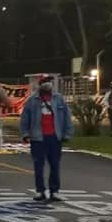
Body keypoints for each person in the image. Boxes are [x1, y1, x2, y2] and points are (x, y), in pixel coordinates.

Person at [20, 74, 73, 203]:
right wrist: (25, 134)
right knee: (38, 166)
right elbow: (25, 119)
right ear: (40, 85)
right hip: (38, 138)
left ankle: (54, 191)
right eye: (44, 82)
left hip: (55, 137)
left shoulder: (59, 99)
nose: (47, 84)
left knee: (55, 165)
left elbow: (67, 117)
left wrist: (67, 134)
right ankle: (40, 191)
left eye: (49, 82)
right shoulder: (32, 100)